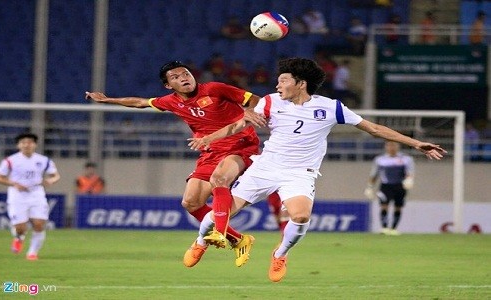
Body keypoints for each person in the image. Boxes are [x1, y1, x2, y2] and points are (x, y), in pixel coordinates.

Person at [187, 57, 446, 282]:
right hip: (265, 167)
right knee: (224, 211)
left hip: (300, 172)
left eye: (283, 80)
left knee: (300, 217)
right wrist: (211, 138)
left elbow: (375, 129)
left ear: (301, 83)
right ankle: (200, 244)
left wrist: (416, 144)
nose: (277, 85)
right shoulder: (270, 102)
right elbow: (239, 124)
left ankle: (280, 255)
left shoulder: (331, 107)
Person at [85, 60, 267, 268]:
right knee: (191, 203)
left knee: (220, 180)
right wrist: (108, 100)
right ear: (168, 85)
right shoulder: (170, 101)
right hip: (210, 150)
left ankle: (216, 233)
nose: (183, 77)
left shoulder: (215, 89)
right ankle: (238, 239)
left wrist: (249, 112)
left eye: (186, 73)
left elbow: (254, 99)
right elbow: (140, 103)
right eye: (176, 77)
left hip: (240, 144)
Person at [0, 133, 61, 260]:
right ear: (18, 145)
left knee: (39, 224)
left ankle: (32, 253)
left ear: (35, 144)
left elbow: (55, 175)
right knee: (21, 227)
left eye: (30, 142)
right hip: (17, 195)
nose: (27, 145)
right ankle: (19, 237)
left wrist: (51, 181)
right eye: (23, 142)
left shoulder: (43, 160)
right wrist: (14, 183)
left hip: (37, 194)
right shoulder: (10, 160)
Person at [363, 141, 414, 235]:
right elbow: (374, 174)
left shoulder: (406, 159)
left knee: (398, 207)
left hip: (400, 186)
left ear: (398, 146)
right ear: (386, 147)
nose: (392, 147)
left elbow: (409, 172)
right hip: (385, 186)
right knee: (384, 205)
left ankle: (394, 228)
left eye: (394, 145)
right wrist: (369, 187)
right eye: (389, 145)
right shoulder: (380, 159)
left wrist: (409, 179)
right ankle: (384, 227)